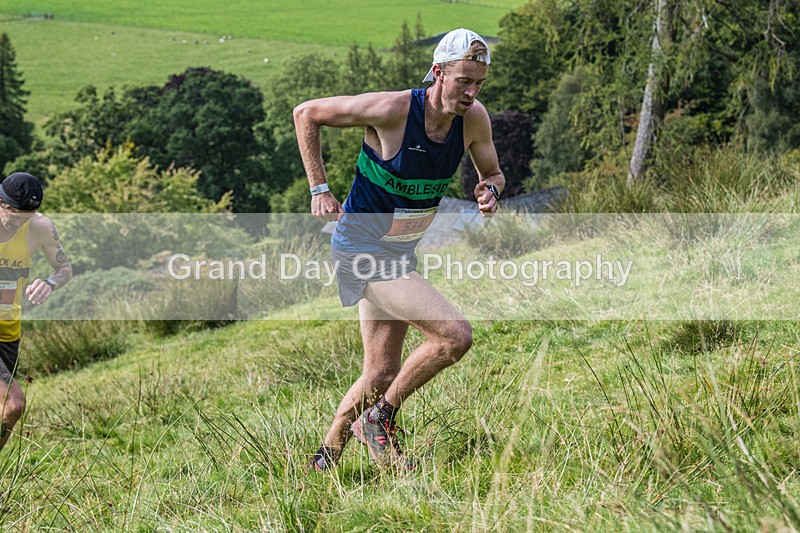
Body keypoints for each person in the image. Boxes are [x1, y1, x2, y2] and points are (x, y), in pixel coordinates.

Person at [293, 28, 504, 470]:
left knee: (380, 373)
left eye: (478, 83)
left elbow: (494, 173)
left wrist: (491, 190)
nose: (470, 92)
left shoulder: (474, 119)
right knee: (454, 336)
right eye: (463, 80)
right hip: (361, 250)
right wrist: (319, 189)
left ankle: (324, 459)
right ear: (437, 73)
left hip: (400, 254)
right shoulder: (393, 110)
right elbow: (306, 113)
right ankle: (379, 422)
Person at [0, 172, 72, 451]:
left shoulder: (40, 227)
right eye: (16, 216)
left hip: (8, 332)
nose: (20, 223)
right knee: (13, 404)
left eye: (27, 217)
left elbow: (65, 269)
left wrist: (50, 283)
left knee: (6, 411)